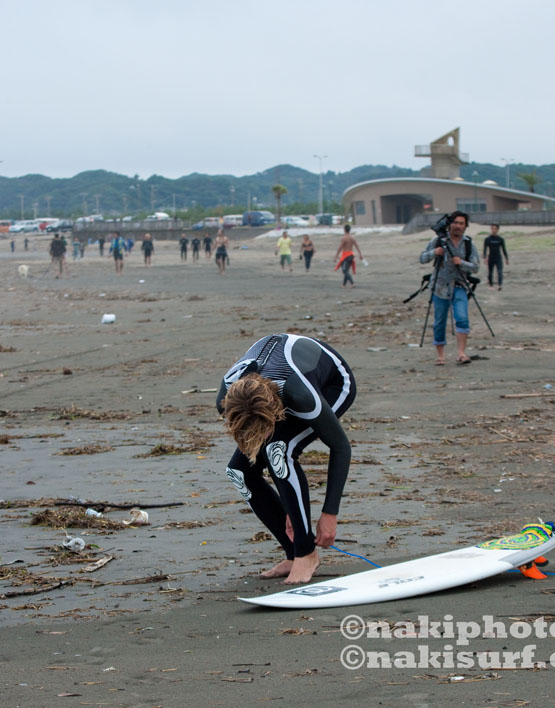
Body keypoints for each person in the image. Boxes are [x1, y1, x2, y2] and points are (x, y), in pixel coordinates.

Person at [216, 333, 356, 584]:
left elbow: (341, 447)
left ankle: (306, 554)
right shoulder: (226, 401)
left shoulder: (299, 393)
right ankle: (293, 553)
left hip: (331, 383)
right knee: (239, 472)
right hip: (271, 391)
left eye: (265, 428)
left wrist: (329, 514)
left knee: (278, 449)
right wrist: (292, 508)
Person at [419, 210, 480, 366]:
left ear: (466, 227)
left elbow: (475, 267)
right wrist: (435, 252)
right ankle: (441, 356)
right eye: (455, 223)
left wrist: (462, 263)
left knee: (462, 318)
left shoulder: (468, 244)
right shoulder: (438, 241)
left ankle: (461, 353)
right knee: (439, 322)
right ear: (449, 224)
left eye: (461, 223)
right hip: (439, 286)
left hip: (459, 285)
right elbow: (422, 258)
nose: (458, 226)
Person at [483, 224, 509, 290]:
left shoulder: (500, 239)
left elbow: (504, 249)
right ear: (491, 229)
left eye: (495, 228)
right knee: (490, 272)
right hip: (491, 257)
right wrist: (485, 258)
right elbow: (485, 249)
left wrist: (506, 258)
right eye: (492, 228)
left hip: (498, 258)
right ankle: (491, 285)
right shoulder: (487, 239)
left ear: (497, 230)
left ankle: (499, 285)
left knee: (500, 271)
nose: (493, 230)